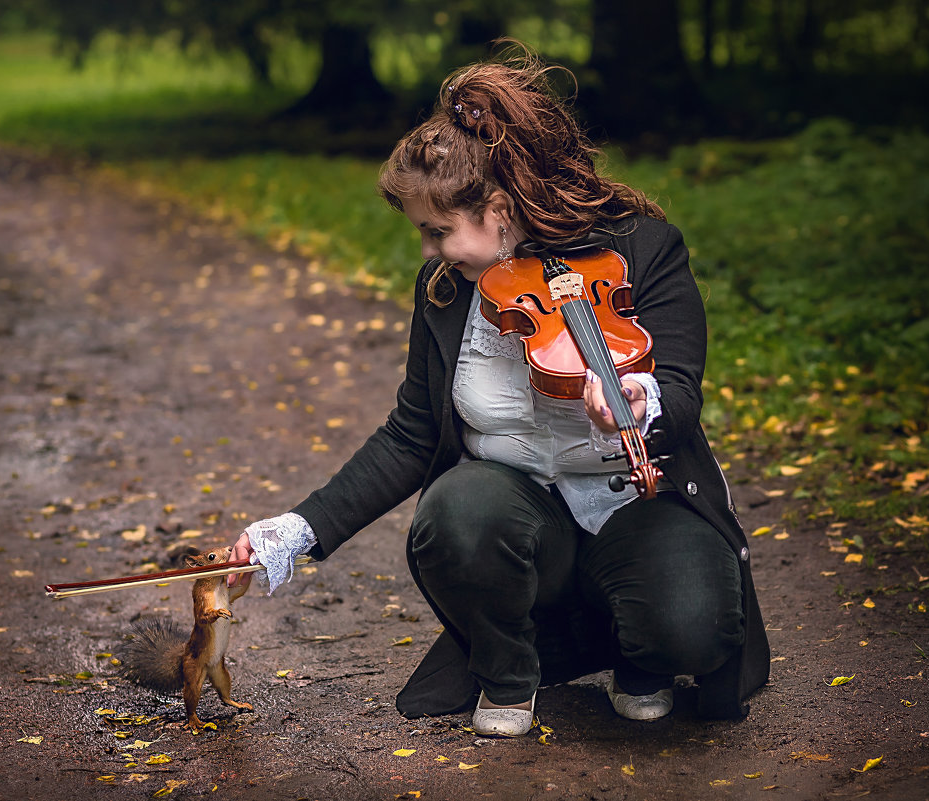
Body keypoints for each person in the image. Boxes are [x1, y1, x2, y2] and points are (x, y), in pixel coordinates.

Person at [228, 42, 769, 736]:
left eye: (437, 231)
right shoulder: (448, 293)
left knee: (692, 623)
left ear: (501, 207)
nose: (428, 252)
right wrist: (295, 531)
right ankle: (512, 667)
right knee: (457, 510)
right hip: (523, 520)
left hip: (638, 505)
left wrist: (641, 399)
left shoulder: (642, 251)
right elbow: (410, 435)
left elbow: (681, 394)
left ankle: (643, 651)